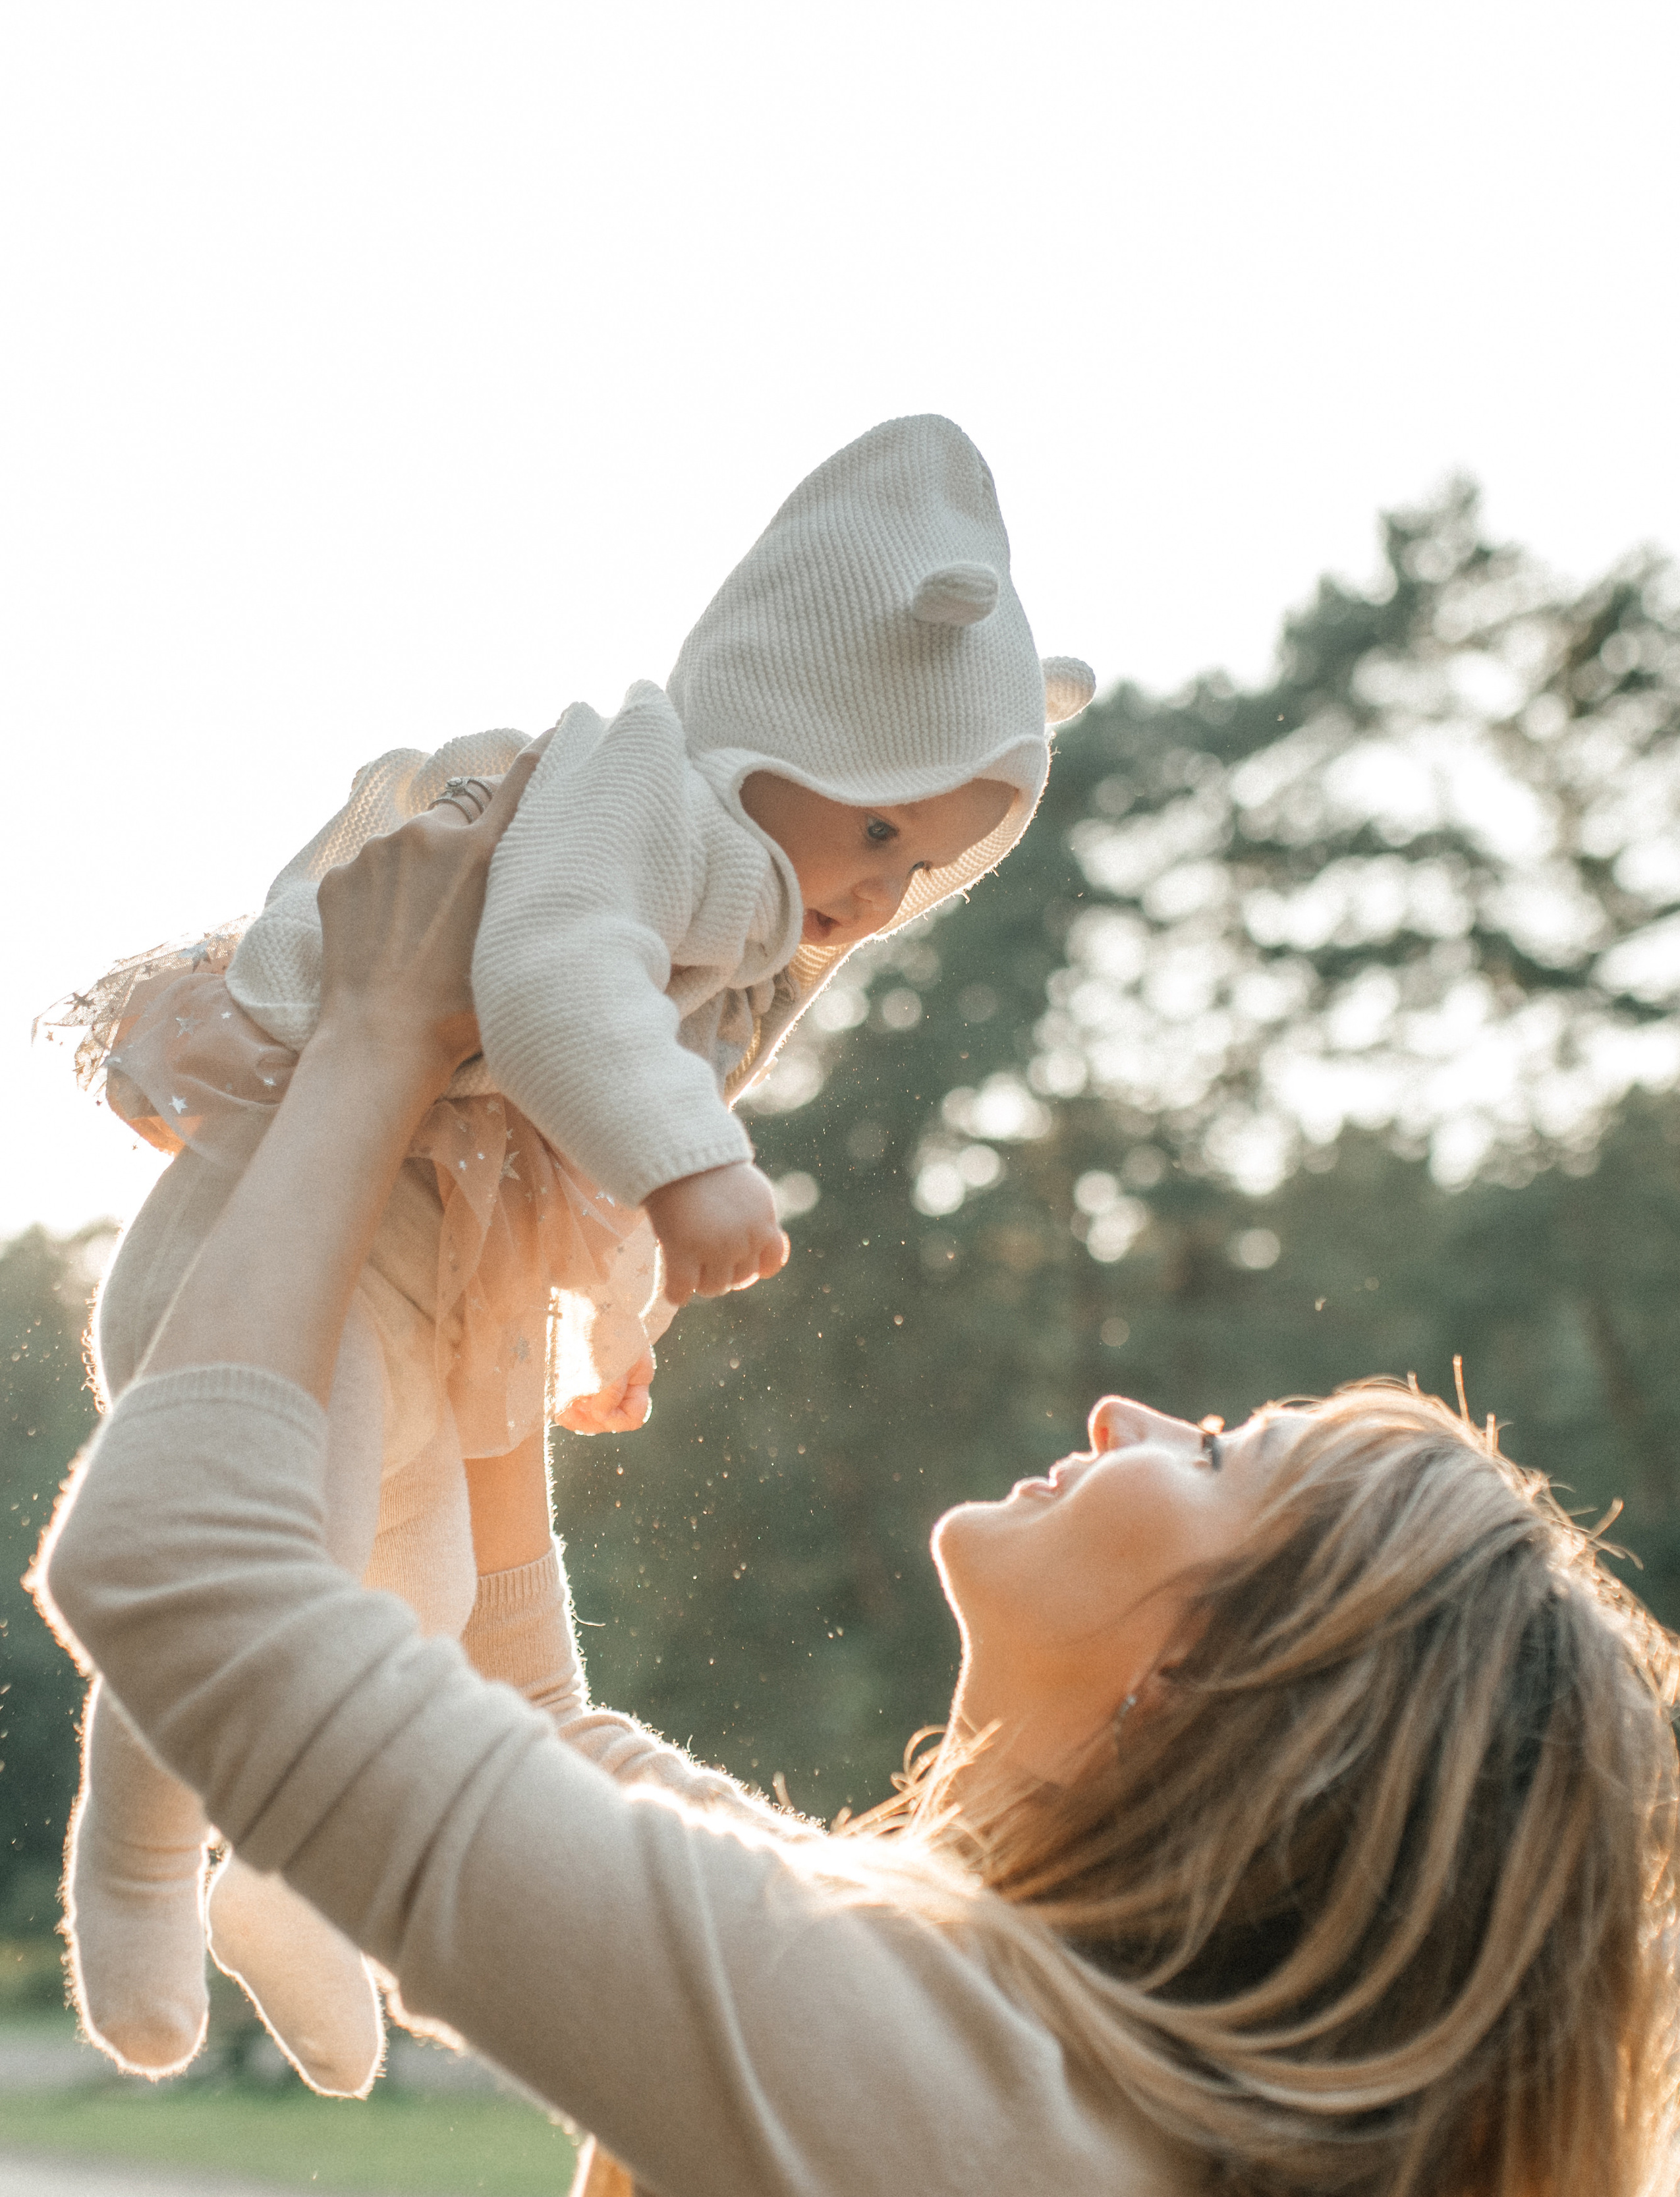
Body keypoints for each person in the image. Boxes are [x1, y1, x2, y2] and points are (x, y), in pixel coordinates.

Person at [35, 817, 1680, 2197]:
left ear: (1222, 1695)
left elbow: (182, 1578)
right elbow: (531, 1727)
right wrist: (503, 1275)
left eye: (1211, 1458)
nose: (1130, 1415)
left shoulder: (939, 2114)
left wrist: (376, 1041)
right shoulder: (1056, 2120)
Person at [43, 411, 1096, 2096]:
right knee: (278, 1549)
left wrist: (617, 1296)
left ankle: (293, 1882)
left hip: (434, 1255)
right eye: (880, 830)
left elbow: (573, 1124)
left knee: (423, 1597)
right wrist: (693, 1174)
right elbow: (547, 990)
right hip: (296, 1223)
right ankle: (142, 1862)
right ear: (786, 724)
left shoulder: (743, 900)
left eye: (930, 859)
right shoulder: (635, 786)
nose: (889, 892)